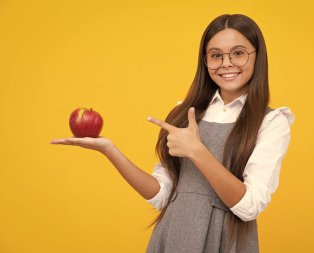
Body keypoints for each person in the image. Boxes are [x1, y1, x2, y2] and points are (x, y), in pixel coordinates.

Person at [50, 13, 295, 253]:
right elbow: (161, 194)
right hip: (174, 235)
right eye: (216, 55)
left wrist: (198, 152)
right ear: (205, 60)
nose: (226, 63)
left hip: (226, 241)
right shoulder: (185, 113)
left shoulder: (271, 122)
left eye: (238, 53)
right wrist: (109, 150)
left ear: (257, 56)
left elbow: (249, 206)